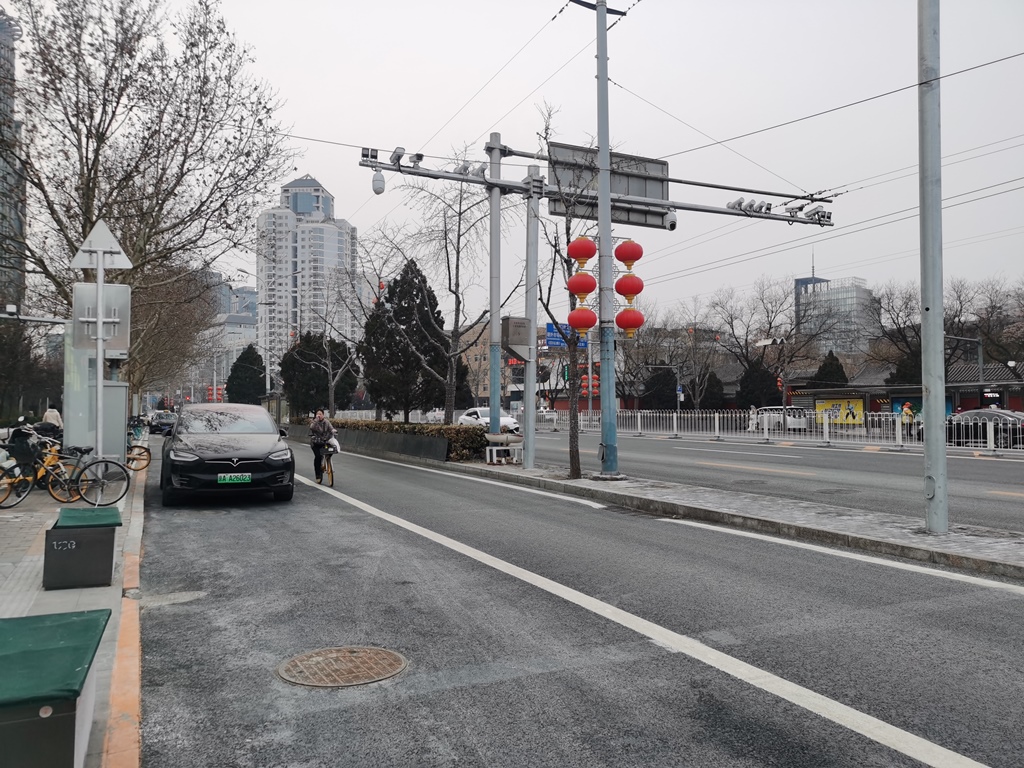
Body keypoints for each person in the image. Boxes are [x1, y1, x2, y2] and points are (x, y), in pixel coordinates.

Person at [309, 409, 337, 482]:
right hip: (315, 443)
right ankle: (318, 474)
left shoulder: (326, 422)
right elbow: (312, 427)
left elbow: (331, 428)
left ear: (323, 415)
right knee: (318, 457)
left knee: (331, 450)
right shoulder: (314, 422)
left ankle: (328, 464)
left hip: (324, 442)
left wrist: (333, 431)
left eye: (320, 414)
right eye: (317, 414)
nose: (319, 415)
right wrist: (316, 420)